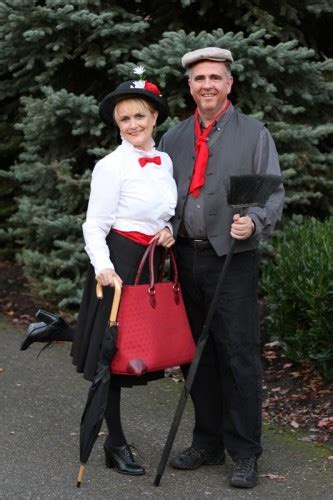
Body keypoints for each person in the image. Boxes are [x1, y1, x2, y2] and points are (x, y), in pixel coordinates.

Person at [21, 74, 177, 476]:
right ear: (117, 124)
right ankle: (116, 444)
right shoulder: (111, 166)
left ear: (154, 116)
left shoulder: (165, 161)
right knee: (111, 358)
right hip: (118, 264)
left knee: (131, 350)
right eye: (124, 119)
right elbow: (94, 225)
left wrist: (169, 230)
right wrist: (104, 268)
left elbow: (166, 210)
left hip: (148, 261)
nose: (132, 124)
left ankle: (53, 329)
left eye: (139, 115)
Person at [158, 47, 284, 489]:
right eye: (198, 79)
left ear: (229, 84)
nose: (207, 84)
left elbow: (272, 193)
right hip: (186, 259)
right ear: (189, 87)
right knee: (196, 356)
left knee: (238, 355)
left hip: (232, 259)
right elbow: (158, 196)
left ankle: (245, 451)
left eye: (215, 77)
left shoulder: (253, 135)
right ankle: (207, 441)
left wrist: (256, 221)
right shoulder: (172, 138)